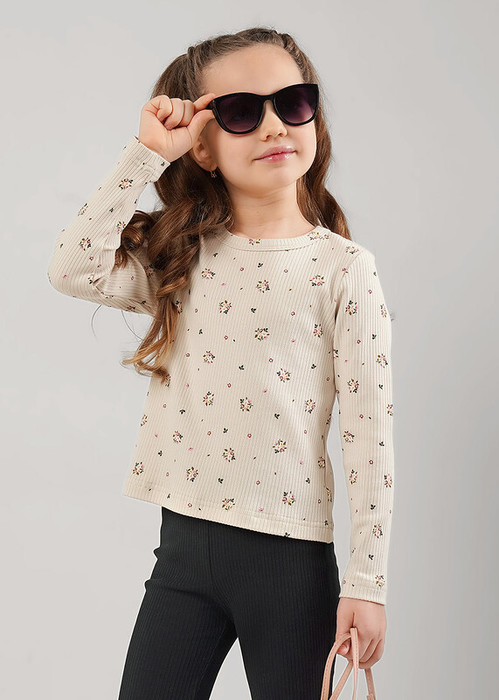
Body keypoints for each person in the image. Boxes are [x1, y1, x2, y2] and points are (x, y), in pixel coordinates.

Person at [47, 26, 394, 700]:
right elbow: (71, 267)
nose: (274, 125)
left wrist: (367, 582)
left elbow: (369, 435)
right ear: (201, 146)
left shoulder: (343, 269)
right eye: (240, 112)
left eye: (293, 102)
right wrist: (147, 154)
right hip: (182, 551)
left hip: (290, 563)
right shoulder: (179, 256)